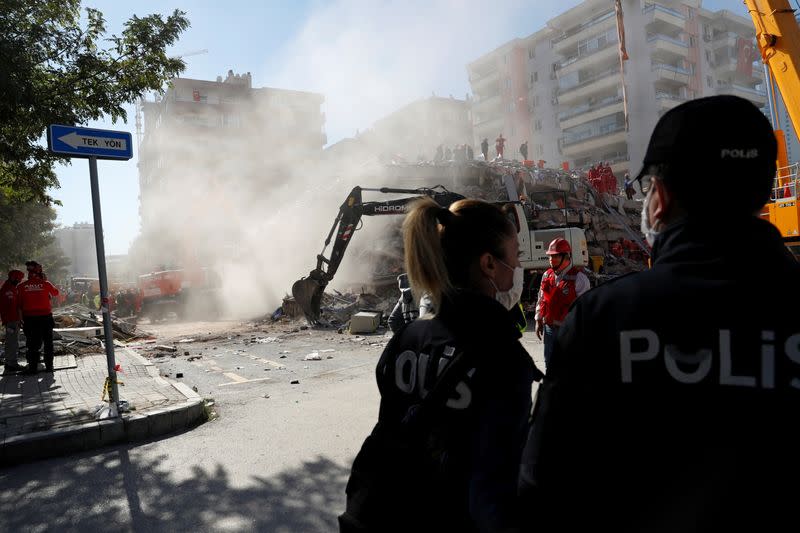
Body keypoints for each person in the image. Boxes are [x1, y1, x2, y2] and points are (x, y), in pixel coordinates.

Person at [519, 95, 800, 531]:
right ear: (764, 189)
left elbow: (542, 489)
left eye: (648, 187)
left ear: (661, 198)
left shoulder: (600, 320)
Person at [339, 198, 544, 532]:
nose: (519, 267)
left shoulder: (406, 339)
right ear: (489, 264)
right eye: (516, 256)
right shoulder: (504, 358)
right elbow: (494, 488)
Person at [534, 237, 590, 370]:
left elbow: (585, 310)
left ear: (566, 257)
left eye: (555, 257)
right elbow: (541, 299)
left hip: (569, 331)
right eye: (550, 257)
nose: (551, 260)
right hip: (549, 330)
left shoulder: (580, 279)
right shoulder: (547, 276)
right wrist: (538, 320)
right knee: (550, 365)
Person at [17, 261, 59, 374]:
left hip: (30, 319)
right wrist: (45, 282)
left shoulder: (21, 286)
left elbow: (19, 305)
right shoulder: (46, 284)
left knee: (32, 344)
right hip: (45, 318)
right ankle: (49, 367)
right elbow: (56, 293)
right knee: (48, 343)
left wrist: (20, 319)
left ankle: (33, 368)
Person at [1, 270, 26, 372]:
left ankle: (10, 363)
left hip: (13, 320)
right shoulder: (8, 290)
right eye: (18, 279)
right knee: (12, 342)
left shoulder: (11, 288)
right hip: (11, 321)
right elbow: (8, 307)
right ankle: (11, 364)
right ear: (13, 278)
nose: (19, 281)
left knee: (12, 342)